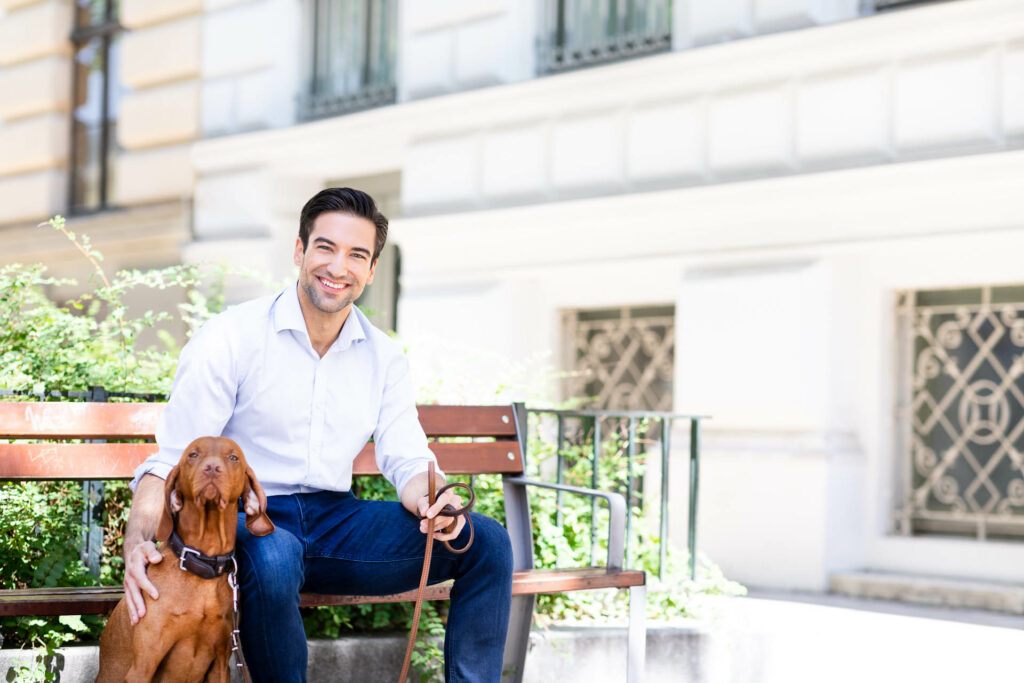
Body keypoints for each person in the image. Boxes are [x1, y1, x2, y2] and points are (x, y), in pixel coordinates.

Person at [121, 187, 514, 683]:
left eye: (357, 255)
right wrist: (137, 541)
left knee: (487, 543)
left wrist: (436, 502)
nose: (338, 267)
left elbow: (408, 458)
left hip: (335, 523)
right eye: (325, 247)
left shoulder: (383, 357)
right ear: (299, 251)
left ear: (371, 271)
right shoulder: (232, 336)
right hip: (246, 519)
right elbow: (171, 460)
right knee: (277, 553)